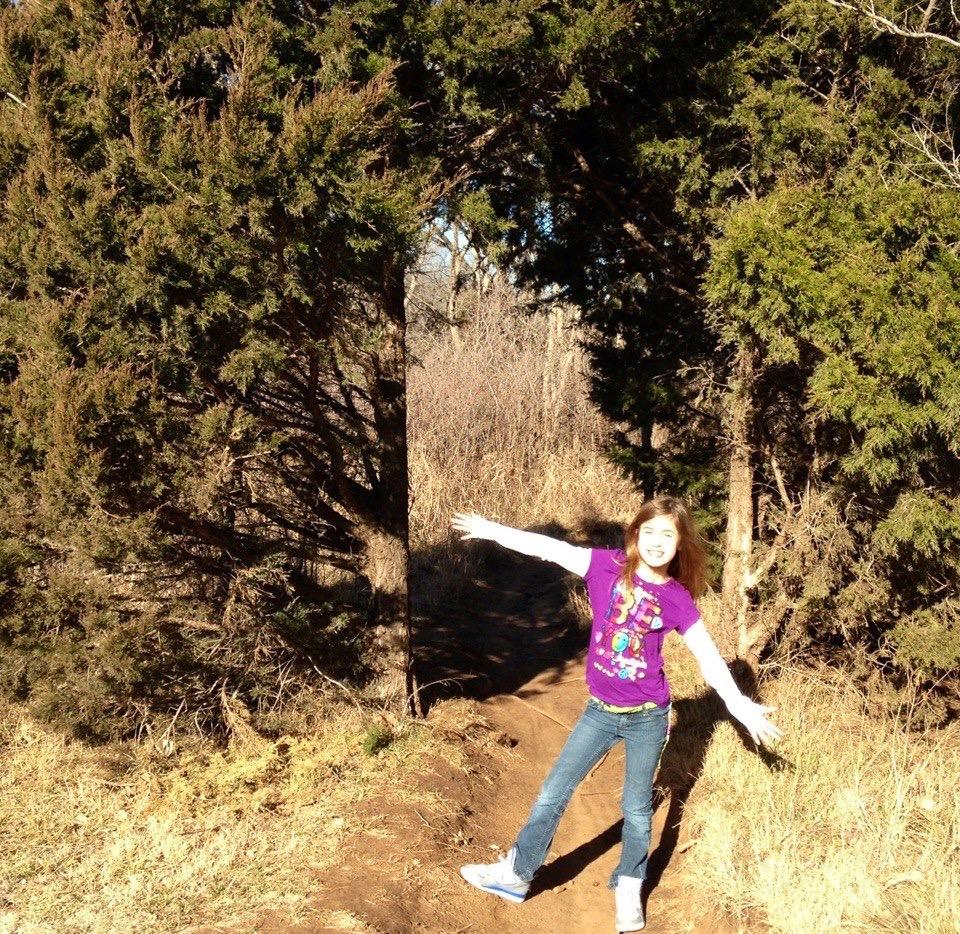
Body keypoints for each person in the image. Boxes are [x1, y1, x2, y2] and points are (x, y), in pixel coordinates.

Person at [452, 496, 782, 933]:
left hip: (647, 714)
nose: (657, 541)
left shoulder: (677, 598)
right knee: (554, 791)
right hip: (599, 712)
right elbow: (549, 549)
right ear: (635, 534)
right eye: (650, 531)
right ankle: (516, 874)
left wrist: (740, 706)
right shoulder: (604, 566)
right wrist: (494, 530)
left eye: (668, 534)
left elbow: (708, 659)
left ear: (680, 543)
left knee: (637, 808)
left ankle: (630, 884)